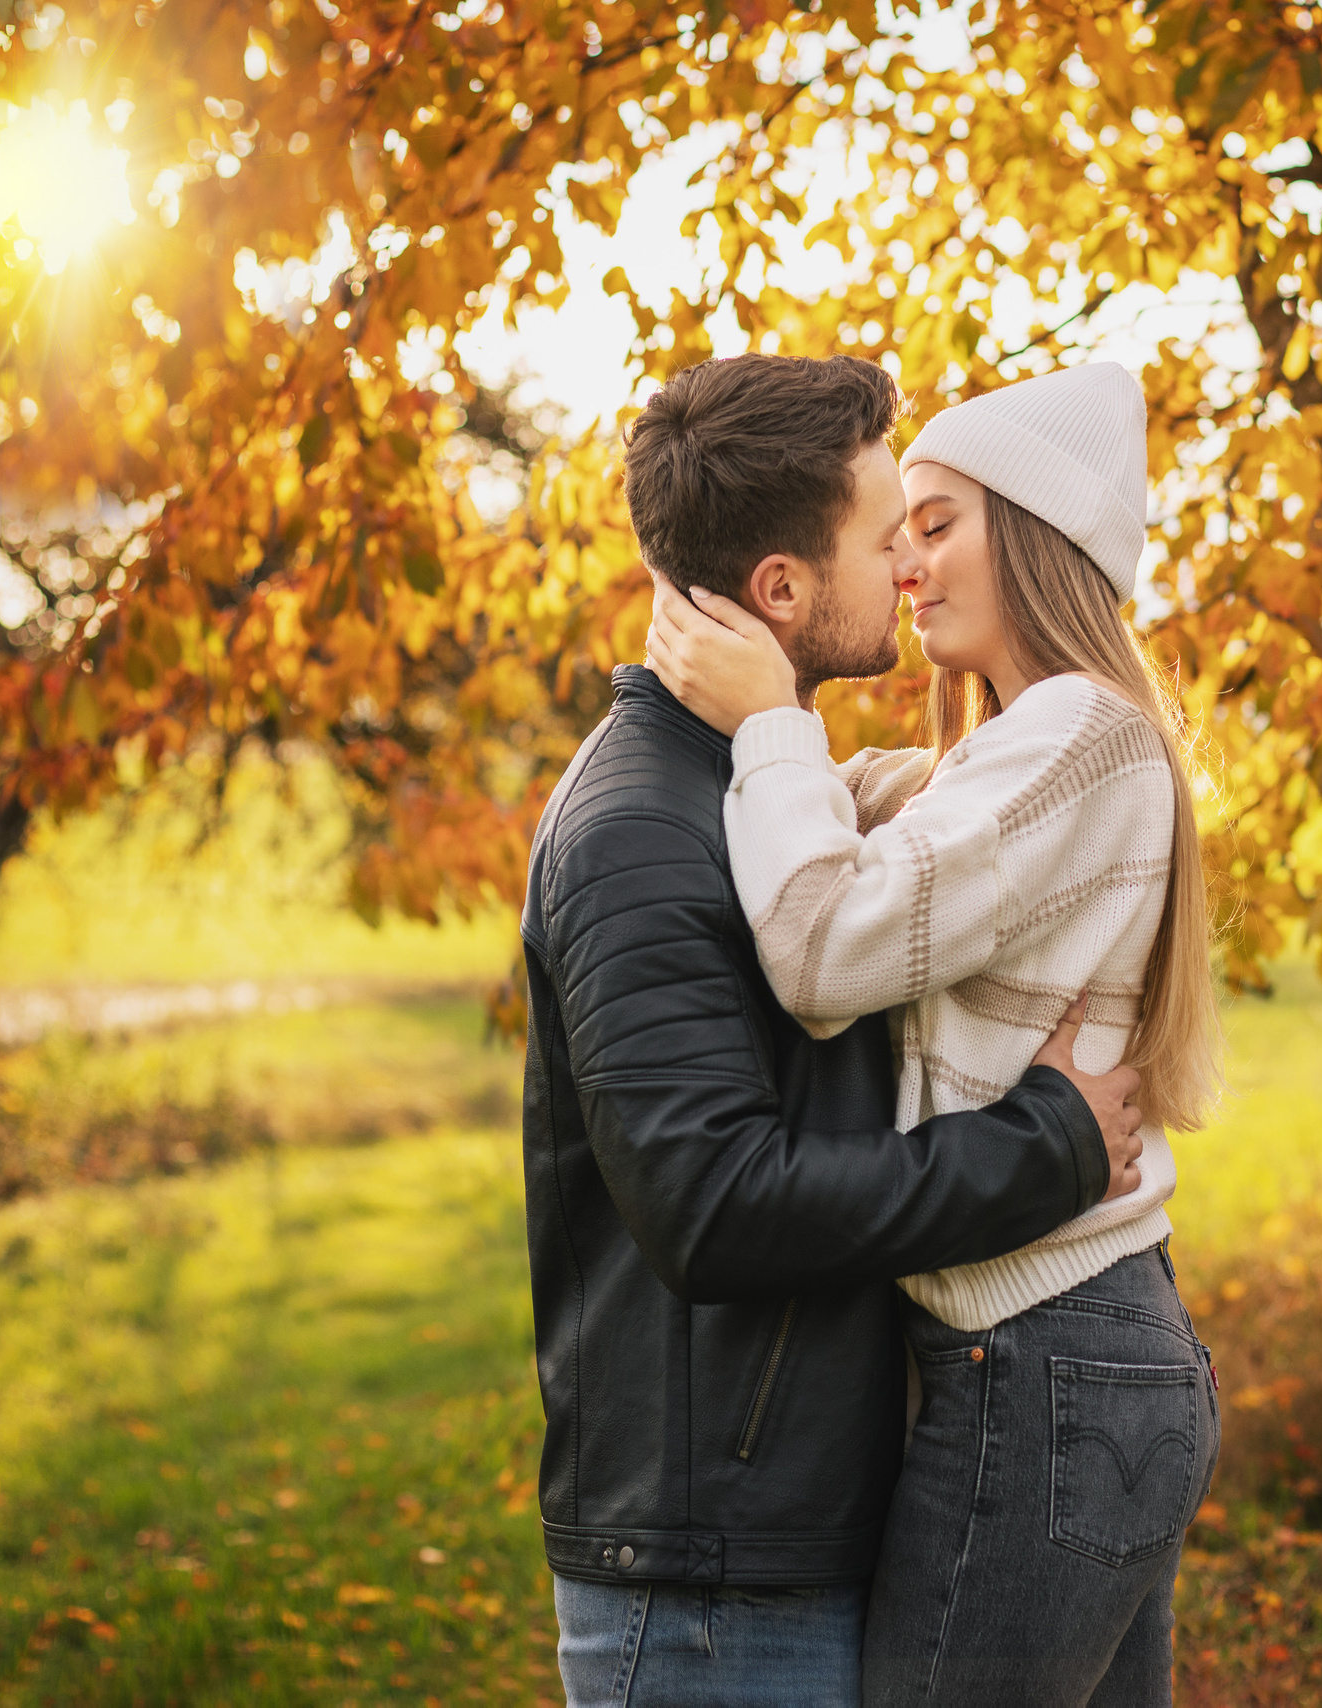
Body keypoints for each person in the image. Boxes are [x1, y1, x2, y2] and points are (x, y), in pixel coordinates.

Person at [522, 351, 1150, 1708]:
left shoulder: (755, 788)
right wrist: (1048, 1148)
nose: (910, 569)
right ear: (782, 593)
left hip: (799, 1523)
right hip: (706, 1579)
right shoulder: (640, 832)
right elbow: (716, 1210)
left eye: (932, 532)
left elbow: (911, 825)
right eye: (889, 538)